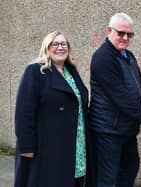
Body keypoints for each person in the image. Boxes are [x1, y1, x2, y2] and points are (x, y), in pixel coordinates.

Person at [86, 13, 141, 187]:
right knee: (108, 179)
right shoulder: (103, 58)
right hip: (107, 130)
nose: (125, 38)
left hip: (126, 129)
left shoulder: (127, 55)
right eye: (121, 33)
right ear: (109, 31)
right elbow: (120, 97)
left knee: (129, 170)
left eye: (129, 34)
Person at [14, 31, 89, 187]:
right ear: (46, 48)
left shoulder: (71, 71)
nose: (60, 47)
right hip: (47, 144)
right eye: (55, 44)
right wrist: (26, 145)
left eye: (64, 44)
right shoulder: (35, 71)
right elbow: (24, 111)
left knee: (72, 180)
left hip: (75, 141)